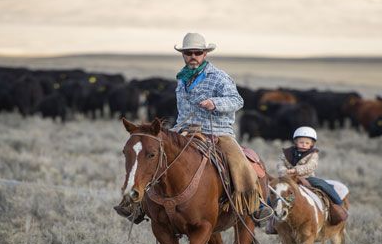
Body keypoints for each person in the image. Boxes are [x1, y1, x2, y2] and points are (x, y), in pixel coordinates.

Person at [115, 32, 273, 224]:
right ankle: (136, 203)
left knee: (237, 159)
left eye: (197, 52)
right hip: (184, 129)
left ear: (205, 54)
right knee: (152, 154)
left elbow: (237, 100)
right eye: (188, 52)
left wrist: (214, 103)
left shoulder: (219, 77)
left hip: (217, 131)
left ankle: (255, 203)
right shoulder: (182, 78)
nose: (193, 56)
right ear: (183, 54)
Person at [273, 126, 348, 229]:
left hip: (307, 177)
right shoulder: (287, 153)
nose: (304, 145)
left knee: (321, 184)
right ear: (295, 142)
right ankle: (268, 213)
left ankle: (337, 203)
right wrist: (284, 171)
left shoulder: (313, 154)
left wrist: (296, 170)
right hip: (288, 179)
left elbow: (311, 166)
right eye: (301, 142)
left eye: (307, 143)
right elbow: (280, 163)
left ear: (312, 144)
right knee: (274, 190)